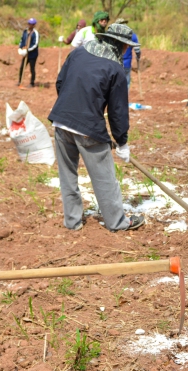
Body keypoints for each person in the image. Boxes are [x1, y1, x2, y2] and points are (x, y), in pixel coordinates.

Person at [48, 24, 145, 232]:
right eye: (126, 46)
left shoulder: (78, 53)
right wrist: (122, 141)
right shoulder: (115, 69)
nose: (127, 50)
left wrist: (71, 109)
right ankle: (117, 222)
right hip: (87, 128)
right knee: (104, 177)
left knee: (67, 175)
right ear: (120, 45)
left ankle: (72, 222)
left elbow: (60, 82)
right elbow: (118, 111)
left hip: (61, 121)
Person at [116, 18, 141, 92]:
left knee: (116, 83)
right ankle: (124, 97)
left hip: (116, 63)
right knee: (126, 83)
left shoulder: (115, 35)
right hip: (127, 63)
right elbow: (137, 50)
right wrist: (138, 56)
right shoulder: (132, 35)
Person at [18, 18, 39, 87]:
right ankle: (20, 81)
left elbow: (35, 44)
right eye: (29, 23)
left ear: (34, 25)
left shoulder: (35, 33)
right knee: (22, 67)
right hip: (25, 53)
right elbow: (22, 40)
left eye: (31, 24)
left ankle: (32, 83)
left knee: (32, 68)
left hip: (33, 54)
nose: (30, 25)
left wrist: (28, 50)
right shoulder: (25, 31)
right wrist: (20, 48)